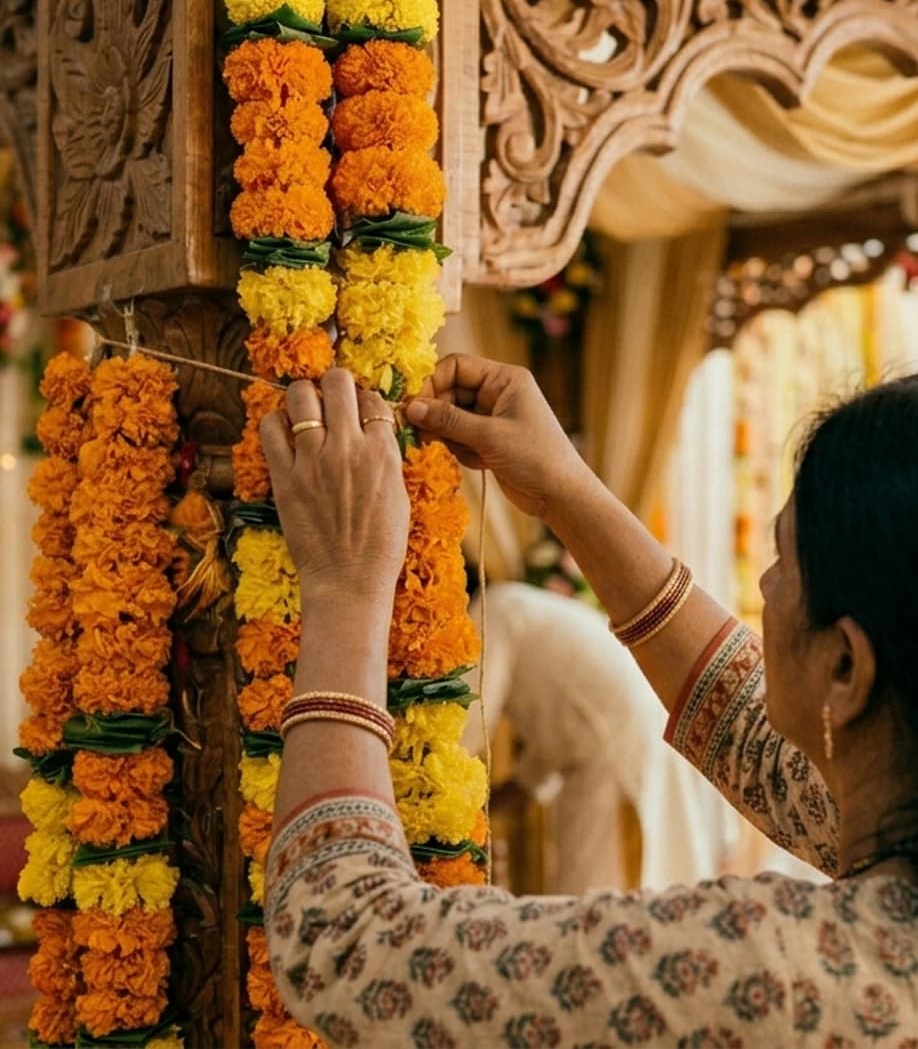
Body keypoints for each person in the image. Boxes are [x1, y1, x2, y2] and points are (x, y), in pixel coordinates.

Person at [260, 356, 918, 1046]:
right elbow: (749, 727)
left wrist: (344, 588)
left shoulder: (778, 980)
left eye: (785, 562)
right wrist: (566, 491)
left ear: (844, 667)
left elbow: (350, 941)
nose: (767, 584)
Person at [463, 580, 742, 892]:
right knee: (608, 894)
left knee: (589, 900)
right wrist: (494, 801)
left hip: (612, 756)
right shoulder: (525, 607)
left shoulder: (494, 610)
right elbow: (552, 736)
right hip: (621, 746)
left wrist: (431, 800)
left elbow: (470, 719)